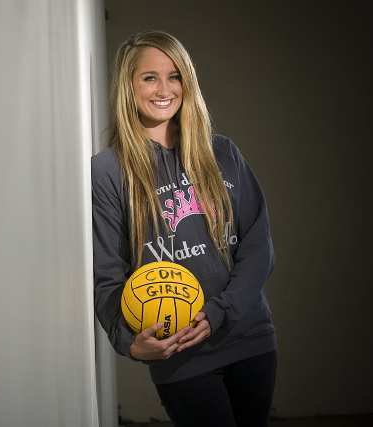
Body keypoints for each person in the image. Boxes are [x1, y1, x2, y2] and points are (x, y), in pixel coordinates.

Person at [92, 30, 277, 427]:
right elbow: (107, 276)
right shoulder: (108, 172)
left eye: (174, 76)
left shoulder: (222, 152)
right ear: (129, 85)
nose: (164, 89)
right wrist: (130, 343)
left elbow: (258, 247)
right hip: (179, 353)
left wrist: (219, 312)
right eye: (149, 77)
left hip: (248, 336)